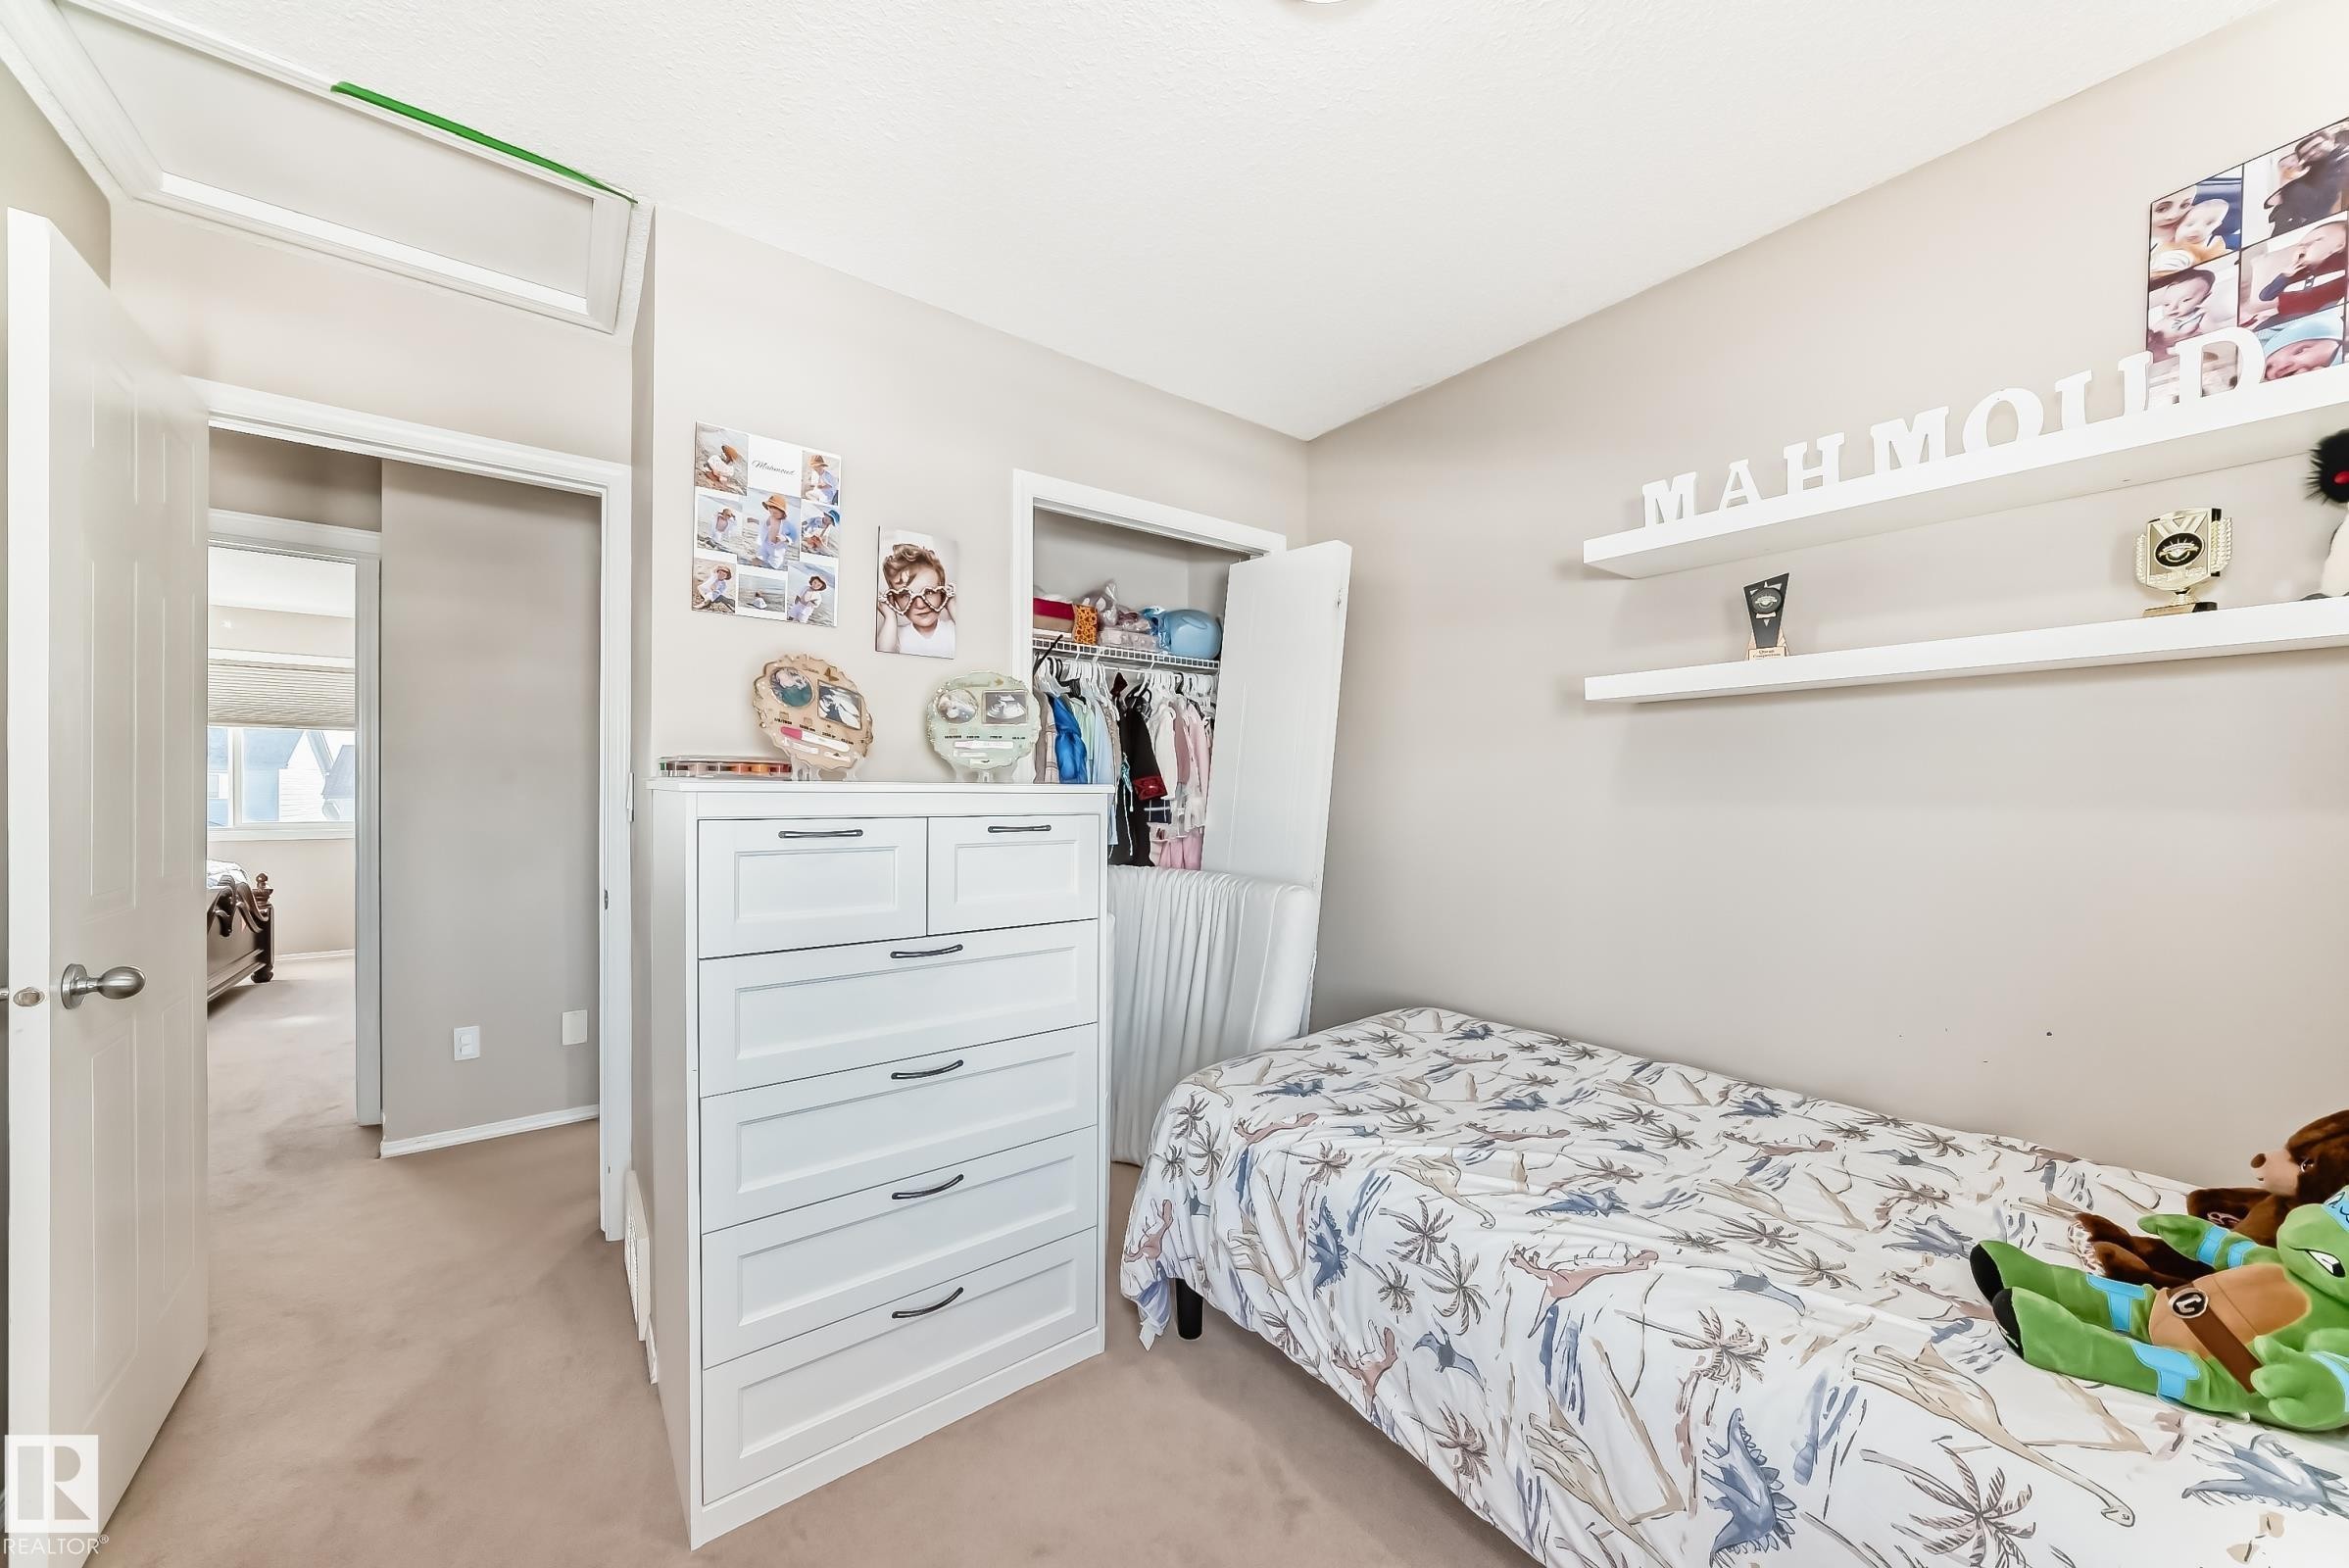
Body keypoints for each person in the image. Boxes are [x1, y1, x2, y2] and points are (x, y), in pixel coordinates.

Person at [874, 539, 958, 657]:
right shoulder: (894, 637)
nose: (920, 604)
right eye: (906, 595)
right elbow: (882, 657)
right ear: (894, 601)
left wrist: (952, 604)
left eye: (929, 592)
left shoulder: (953, 630)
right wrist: (890, 617)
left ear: (942, 593)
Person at [2254, 223, 2348, 324]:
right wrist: (2286, 275)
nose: (2305, 244)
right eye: (2307, 238)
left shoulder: (2340, 266)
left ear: (2338, 247)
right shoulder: (2297, 271)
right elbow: (2265, 296)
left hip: (2311, 322)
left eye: (2319, 239)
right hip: (2280, 319)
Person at [2270, 130, 2349, 234]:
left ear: (2330, 140)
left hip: (2316, 224)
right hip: (2297, 220)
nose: (2311, 153)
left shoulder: (2343, 161)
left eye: (2315, 146)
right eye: (2306, 154)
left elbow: (2329, 195)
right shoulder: (2320, 164)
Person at [2147, 268, 2219, 354]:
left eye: (2185, 300)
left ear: (2204, 298)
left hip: (2184, 352)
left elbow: (2214, 337)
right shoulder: (2163, 321)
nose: (2172, 308)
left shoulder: (2201, 316)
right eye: (2166, 304)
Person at [757, 495, 797, 568]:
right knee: (759, 559)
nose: (772, 515)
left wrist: (785, 538)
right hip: (766, 544)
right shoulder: (770, 517)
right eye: (770, 512)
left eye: (775, 513)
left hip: (777, 550)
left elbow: (794, 535)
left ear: (783, 512)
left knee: (774, 565)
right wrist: (755, 521)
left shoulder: (787, 524)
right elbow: (764, 524)